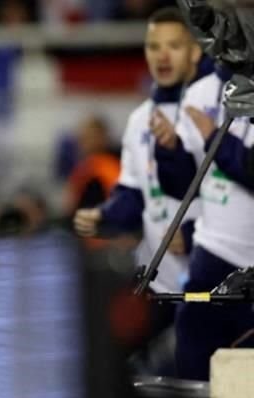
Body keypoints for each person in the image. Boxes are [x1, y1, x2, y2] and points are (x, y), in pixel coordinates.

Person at [73, 7, 203, 362]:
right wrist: (106, 215)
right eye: (153, 46)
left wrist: (192, 233)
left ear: (194, 49)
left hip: (210, 275)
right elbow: (132, 192)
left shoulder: (212, 108)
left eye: (173, 45)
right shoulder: (138, 120)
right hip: (152, 275)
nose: (161, 55)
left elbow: (230, 194)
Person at [150, 65, 254, 379]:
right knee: (194, 359)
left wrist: (213, 137)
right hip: (213, 256)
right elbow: (186, 182)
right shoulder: (199, 93)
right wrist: (169, 151)